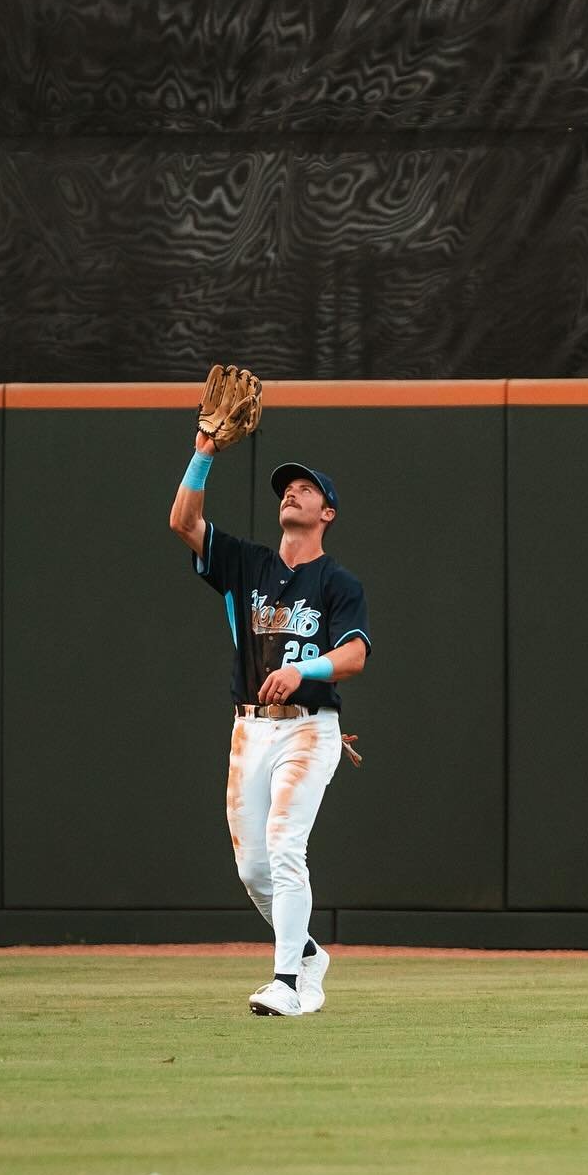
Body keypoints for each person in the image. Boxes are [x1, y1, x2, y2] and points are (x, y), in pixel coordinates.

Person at [169, 428, 371, 1016]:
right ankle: (307, 950)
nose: (292, 494)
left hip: (309, 729)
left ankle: (287, 980)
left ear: (326, 513)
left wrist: (304, 668)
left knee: (285, 846)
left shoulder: (339, 582)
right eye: (286, 488)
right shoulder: (247, 563)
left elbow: (355, 654)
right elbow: (184, 522)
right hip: (250, 730)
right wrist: (204, 452)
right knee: (253, 867)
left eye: (306, 489)